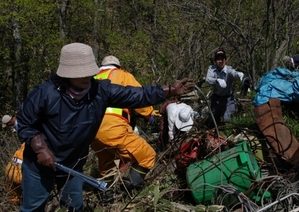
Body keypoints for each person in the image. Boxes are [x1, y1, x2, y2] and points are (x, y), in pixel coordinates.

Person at [16, 42, 195, 212]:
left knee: (74, 206)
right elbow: (24, 123)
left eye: (88, 72)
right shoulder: (45, 93)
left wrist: (169, 90)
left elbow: (137, 95)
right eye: (80, 73)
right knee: (33, 208)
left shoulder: (100, 90)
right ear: (67, 74)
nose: (86, 76)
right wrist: (40, 149)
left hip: (73, 164)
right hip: (39, 165)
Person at [91, 55, 159, 203]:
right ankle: (127, 192)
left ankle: (106, 199)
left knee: (106, 165)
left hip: (93, 133)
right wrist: (150, 115)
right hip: (114, 128)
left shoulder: (92, 79)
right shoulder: (122, 75)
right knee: (147, 156)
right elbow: (138, 96)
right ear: (118, 66)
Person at [205, 48, 243, 127]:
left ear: (225, 60)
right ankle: (214, 133)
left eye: (222, 59)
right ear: (215, 61)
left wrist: (238, 75)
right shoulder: (212, 69)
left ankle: (227, 134)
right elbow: (208, 79)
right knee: (213, 119)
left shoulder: (229, 69)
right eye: (218, 59)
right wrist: (216, 80)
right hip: (216, 98)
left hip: (228, 98)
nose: (220, 61)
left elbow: (233, 73)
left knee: (227, 118)